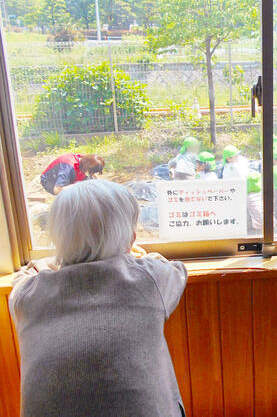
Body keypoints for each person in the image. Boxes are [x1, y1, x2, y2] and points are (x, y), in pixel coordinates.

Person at [9, 179, 188, 416]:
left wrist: (55, 262)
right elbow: (176, 269)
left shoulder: (27, 295)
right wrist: (135, 255)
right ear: (131, 238)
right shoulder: (148, 279)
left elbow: (24, 276)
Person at [40, 153, 104, 195]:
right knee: (79, 192)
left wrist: (101, 184)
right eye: (90, 172)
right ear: (86, 166)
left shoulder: (84, 159)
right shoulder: (67, 169)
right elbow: (57, 190)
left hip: (70, 173)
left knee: (90, 184)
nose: (91, 174)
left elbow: (93, 175)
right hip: (50, 181)